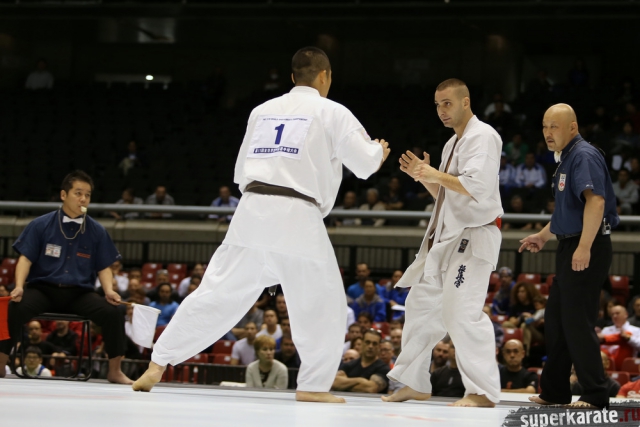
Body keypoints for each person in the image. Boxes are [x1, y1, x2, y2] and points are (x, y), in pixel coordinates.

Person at [133, 47, 389, 404]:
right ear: (325, 76)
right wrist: (379, 152)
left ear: (293, 77)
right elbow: (364, 164)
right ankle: (313, 386)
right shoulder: (332, 111)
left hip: (251, 210)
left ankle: (158, 362)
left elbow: (241, 172)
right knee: (323, 302)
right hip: (298, 214)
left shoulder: (261, 111)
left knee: (216, 293)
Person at [383, 78, 502, 408]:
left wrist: (432, 173)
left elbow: (476, 187)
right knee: (419, 305)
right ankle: (415, 382)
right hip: (448, 236)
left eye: (447, 103)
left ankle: (482, 392)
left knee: (460, 313)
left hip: (473, 237)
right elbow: (447, 197)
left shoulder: (483, 136)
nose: (441, 110)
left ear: (466, 102)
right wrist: (422, 176)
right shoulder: (452, 144)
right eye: (437, 105)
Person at [520, 103, 620, 408]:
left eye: (555, 126)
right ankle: (554, 391)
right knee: (556, 320)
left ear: (573, 127)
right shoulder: (566, 158)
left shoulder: (583, 155)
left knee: (577, 321)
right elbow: (567, 210)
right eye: (545, 126)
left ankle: (596, 392)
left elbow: (596, 202)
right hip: (570, 244)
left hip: (587, 244)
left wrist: (585, 246)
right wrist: (543, 235)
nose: (548, 133)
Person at [0, 170, 132, 384]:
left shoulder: (96, 230)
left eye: (87, 195)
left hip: (79, 294)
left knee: (114, 311)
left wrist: (109, 291)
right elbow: (25, 259)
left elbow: (104, 267)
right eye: (78, 193)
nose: (83, 199)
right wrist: (19, 286)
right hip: (43, 290)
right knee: (12, 306)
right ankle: (0, 363)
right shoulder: (41, 224)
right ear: (63, 195)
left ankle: (115, 371)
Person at [332, 329, 390, 394]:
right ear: (362, 343)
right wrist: (360, 380)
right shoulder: (349, 365)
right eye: (367, 342)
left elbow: (371, 389)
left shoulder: (383, 368)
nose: (370, 346)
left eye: (374, 344)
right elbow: (334, 383)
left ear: (379, 347)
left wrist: (344, 383)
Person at [598, 305, 640, 370]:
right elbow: (602, 348)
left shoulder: (636, 330)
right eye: (612, 314)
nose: (615, 316)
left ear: (626, 314)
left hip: (627, 365)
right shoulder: (606, 330)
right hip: (609, 363)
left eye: (617, 313)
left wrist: (629, 339)